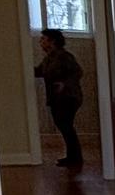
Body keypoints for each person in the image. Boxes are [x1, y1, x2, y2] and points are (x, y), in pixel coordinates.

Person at [34, 28, 85, 168]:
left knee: (65, 126)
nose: (40, 42)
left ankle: (75, 158)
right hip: (58, 98)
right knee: (65, 126)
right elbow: (39, 71)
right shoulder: (49, 58)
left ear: (52, 41)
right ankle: (73, 157)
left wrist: (64, 84)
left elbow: (77, 72)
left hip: (68, 97)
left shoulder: (63, 56)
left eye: (43, 39)